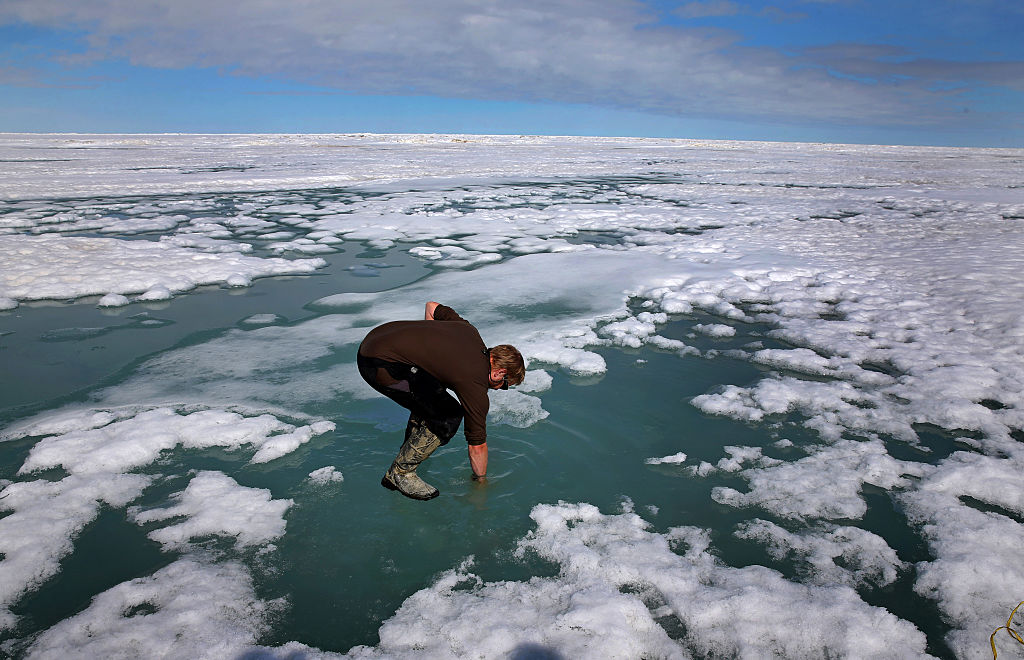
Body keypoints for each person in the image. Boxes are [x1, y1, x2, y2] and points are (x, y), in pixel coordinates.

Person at [357, 301, 526, 501]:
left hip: (375, 339)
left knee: (431, 392)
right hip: (379, 366)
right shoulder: (475, 384)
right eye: (504, 385)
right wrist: (480, 480)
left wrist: (427, 354)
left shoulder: (469, 331)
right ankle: (401, 473)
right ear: (499, 373)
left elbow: (432, 306)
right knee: (449, 416)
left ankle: (410, 447)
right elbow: (477, 446)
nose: (500, 389)